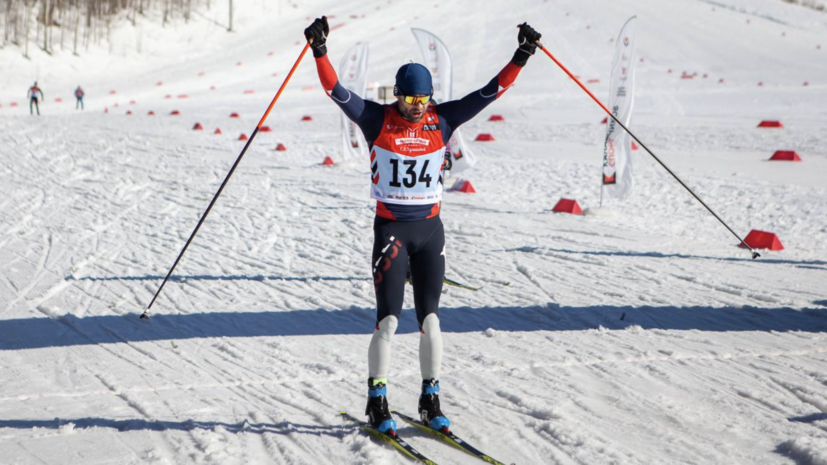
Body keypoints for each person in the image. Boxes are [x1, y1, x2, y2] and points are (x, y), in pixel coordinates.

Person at [304, 17, 542, 436]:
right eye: (410, 97)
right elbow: (335, 91)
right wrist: (320, 50)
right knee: (390, 321)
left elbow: (490, 92)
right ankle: (377, 399)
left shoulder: (442, 120)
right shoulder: (376, 120)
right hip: (392, 232)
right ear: (398, 95)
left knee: (431, 321)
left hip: (431, 232)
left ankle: (430, 397)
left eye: (423, 97)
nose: (417, 104)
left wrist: (520, 55)